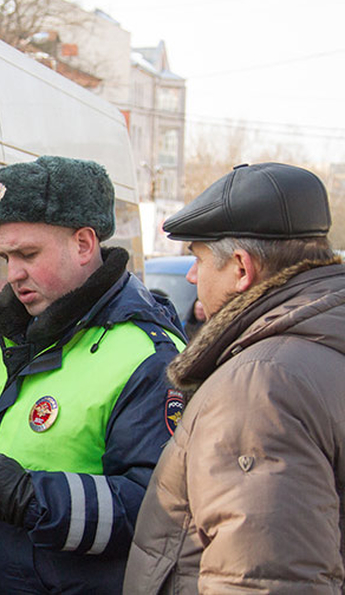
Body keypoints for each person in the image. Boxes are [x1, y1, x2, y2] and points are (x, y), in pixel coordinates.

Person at [0, 156, 186, 594]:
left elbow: (158, 515)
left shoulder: (148, 357)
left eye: (28, 254)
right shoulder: (3, 333)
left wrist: (33, 499)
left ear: (83, 244)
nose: (13, 273)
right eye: (5, 256)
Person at [124, 162, 345, 593]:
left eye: (198, 257)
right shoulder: (320, 346)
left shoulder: (260, 385)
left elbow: (263, 579)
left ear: (241, 269)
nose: (192, 275)